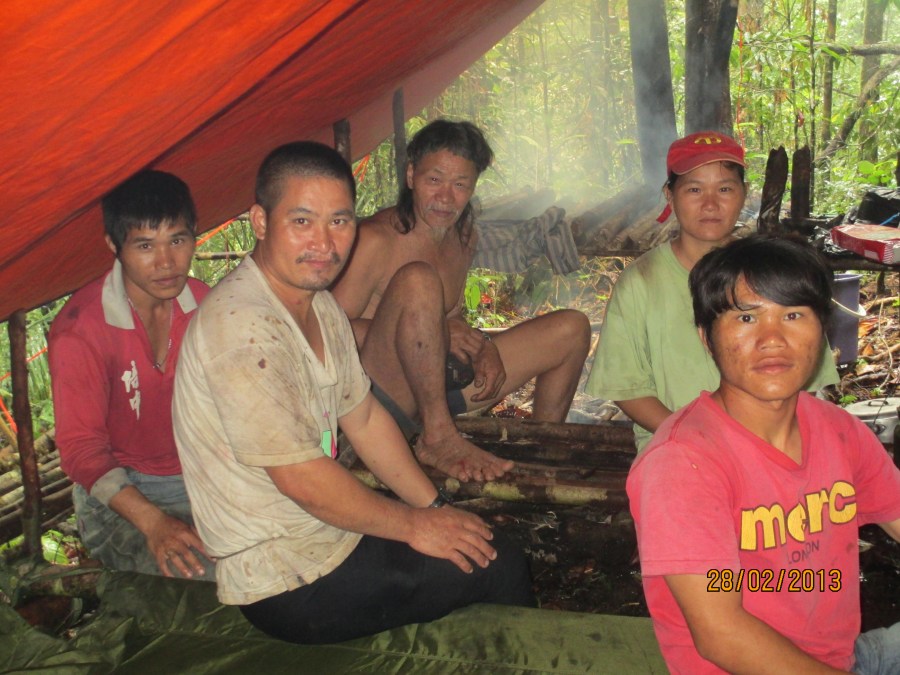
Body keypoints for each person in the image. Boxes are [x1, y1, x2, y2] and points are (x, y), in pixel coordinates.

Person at [172, 141, 533, 644]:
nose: (324, 243)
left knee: (471, 541)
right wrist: (416, 527)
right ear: (260, 221)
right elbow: (302, 480)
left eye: (339, 221)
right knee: (500, 564)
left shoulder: (317, 305)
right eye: (302, 221)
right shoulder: (243, 330)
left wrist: (433, 510)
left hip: (323, 535)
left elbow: (363, 418)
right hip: (290, 576)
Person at [628, 234, 900, 674]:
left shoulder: (838, 430)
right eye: (746, 317)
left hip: (844, 660)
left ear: (823, 329)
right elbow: (722, 635)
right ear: (706, 338)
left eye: (792, 314)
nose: (772, 339)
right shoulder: (682, 461)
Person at [331, 119, 591, 482]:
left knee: (571, 328)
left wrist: (482, 345)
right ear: (411, 176)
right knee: (418, 280)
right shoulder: (375, 240)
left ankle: (543, 450)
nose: (445, 197)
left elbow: (449, 320)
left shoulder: (463, 236)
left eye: (460, 185)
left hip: (437, 387)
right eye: (434, 180)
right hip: (378, 399)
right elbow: (327, 332)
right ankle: (437, 437)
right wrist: (439, 331)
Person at [585, 131, 839, 451]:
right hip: (676, 449)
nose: (710, 204)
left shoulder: (773, 273)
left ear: (744, 194)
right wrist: (696, 437)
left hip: (770, 445)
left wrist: (762, 441)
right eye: (694, 189)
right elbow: (627, 387)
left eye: (724, 189)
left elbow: (807, 374)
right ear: (669, 195)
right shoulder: (641, 282)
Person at [49, 170, 214, 579]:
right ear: (114, 245)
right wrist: (154, 523)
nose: (166, 262)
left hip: (203, 478)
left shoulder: (205, 306)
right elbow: (81, 450)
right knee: (210, 578)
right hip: (123, 499)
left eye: (177, 240)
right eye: (145, 245)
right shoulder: (81, 329)